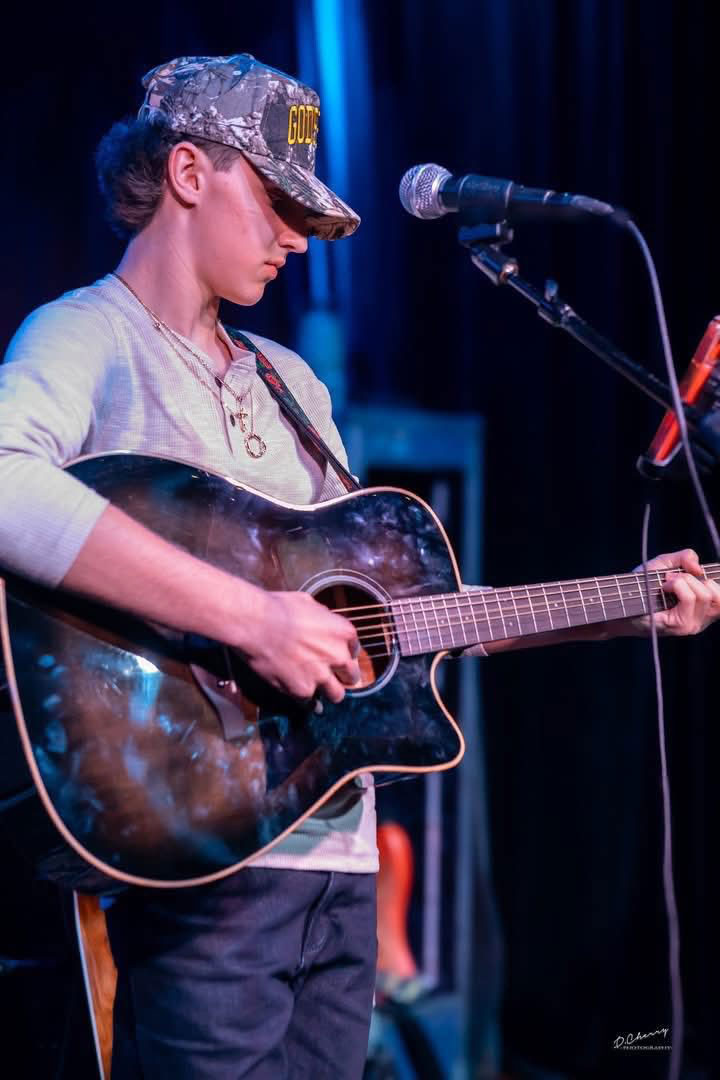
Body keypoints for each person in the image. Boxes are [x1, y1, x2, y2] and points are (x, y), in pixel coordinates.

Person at [0, 52, 718, 1079]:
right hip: (202, 872)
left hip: (338, 870)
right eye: (278, 201)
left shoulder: (292, 384)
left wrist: (631, 606)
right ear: (190, 172)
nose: (297, 238)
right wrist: (252, 620)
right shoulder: (87, 336)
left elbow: (405, 617)